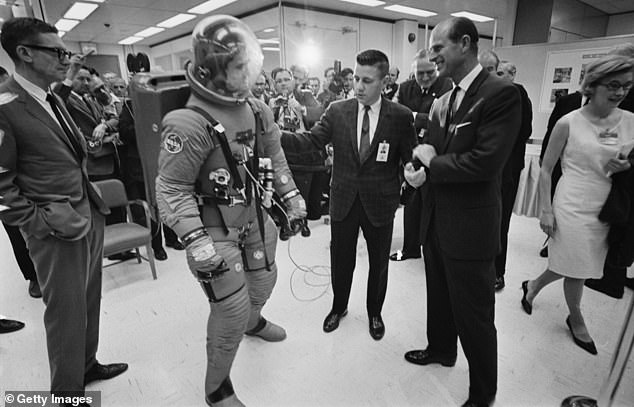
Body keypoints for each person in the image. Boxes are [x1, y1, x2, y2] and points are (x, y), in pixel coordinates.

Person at [155, 15, 306, 406]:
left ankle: (254, 323)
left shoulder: (256, 110)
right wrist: (194, 240)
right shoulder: (187, 123)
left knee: (264, 282)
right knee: (231, 308)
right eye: (241, 68)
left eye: (249, 65)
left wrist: (291, 197)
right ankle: (216, 388)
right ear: (213, 70)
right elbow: (171, 188)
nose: (251, 76)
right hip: (212, 228)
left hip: (254, 216)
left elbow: (275, 156)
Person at [0, 17, 127, 403]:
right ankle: (67, 394)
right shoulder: (5, 107)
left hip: (87, 213)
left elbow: (74, 154)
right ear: (24, 53)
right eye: (56, 52)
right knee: (65, 314)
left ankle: (86, 365)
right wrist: (37, 223)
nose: (65, 58)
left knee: (89, 300)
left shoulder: (51, 96)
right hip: (54, 228)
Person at [404, 17, 521, 407]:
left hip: (470, 225)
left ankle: (483, 393)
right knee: (438, 295)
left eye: (439, 48)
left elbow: (485, 163)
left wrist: (433, 164)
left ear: (465, 44)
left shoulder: (501, 94)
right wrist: (420, 174)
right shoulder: (444, 98)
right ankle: (441, 349)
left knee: (474, 315)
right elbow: (435, 151)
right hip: (436, 218)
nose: (433, 56)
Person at [520, 55, 634, 356]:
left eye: (626, 85)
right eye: (613, 85)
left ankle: (532, 286)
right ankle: (577, 319)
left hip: (606, 204)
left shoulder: (631, 121)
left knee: (575, 263)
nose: (620, 92)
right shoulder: (568, 122)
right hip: (571, 200)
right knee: (576, 269)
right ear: (592, 84)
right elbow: (546, 169)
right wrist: (545, 209)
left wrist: (626, 167)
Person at [304, 49, 416, 340]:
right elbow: (313, 140)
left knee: (379, 263)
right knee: (341, 259)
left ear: (385, 82)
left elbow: (410, 158)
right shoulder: (338, 110)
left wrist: (415, 174)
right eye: (356, 78)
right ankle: (338, 306)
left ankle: (374, 313)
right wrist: (273, 137)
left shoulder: (400, 117)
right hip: (343, 200)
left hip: (380, 202)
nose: (358, 86)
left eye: (367, 80)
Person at [389, 49, 452, 262]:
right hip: (408, 153)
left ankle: (433, 248)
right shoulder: (405, 88)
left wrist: (414, 116)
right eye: (420, 73)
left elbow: (442, 120)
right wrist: (419, 118)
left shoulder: (446, 86)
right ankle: (411, 248)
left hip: (434, 154)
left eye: (429, 72)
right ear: (412, 72)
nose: (425, 77)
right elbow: (395, 116)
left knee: (432, 206)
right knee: (411, 204)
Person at [481, 54, 534, 292]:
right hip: (479, 172)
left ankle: (497, 272)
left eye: (495, 70)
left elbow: (522, 131)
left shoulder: (517, 94)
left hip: (505, 171)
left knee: (500, 224)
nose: (492, 75)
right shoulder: (475, 94)